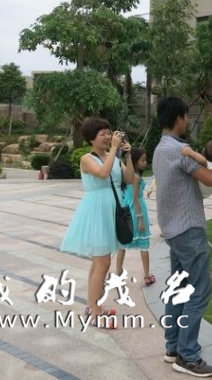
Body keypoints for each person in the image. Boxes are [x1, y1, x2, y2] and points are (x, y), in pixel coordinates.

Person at [153, 96, 212, 377]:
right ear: (179, 118)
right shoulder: (179, 150)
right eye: (185, 116)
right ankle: (188, 355)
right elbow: (209, 178)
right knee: (199, 290)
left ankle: (173, 347)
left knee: (179, 288)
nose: (187, 120)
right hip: (189, 230)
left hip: (172, 230)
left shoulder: (160, 148)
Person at [60, 118, 133, 327]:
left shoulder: (112, 156)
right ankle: (95, 313)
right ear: (92, 138)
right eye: (103, 134)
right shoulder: (87, 158)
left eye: (109, 133)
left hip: (113, 209)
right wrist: (114, 150)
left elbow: (129, 178)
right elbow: (103, 173)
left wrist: (127, 156)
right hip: (97, 211)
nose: (108, 137)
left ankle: (93, 306)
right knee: (103, 263)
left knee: (99, 263)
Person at [114, 148, 154, 287]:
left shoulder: (125, 176)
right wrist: (141, 219)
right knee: (143, 244)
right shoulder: (135, 177)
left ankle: (117, 275)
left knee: (122, 246)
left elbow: (120, 162)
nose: (145, 162)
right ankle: (147, 275)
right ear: (135, 163)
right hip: (136, 212)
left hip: (126, 211)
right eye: (142, 160)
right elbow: (136, 199)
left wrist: (125, 154)